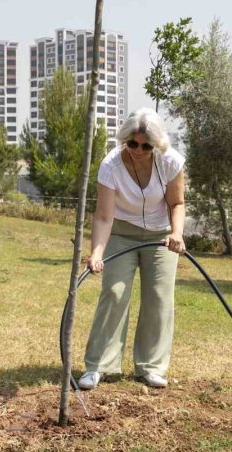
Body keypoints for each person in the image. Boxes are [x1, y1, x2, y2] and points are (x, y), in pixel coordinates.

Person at [78, 107, 186, 390]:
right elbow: (103, 216)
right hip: (121, 233)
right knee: (114, 293)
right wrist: (97, 253)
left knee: (159, 297)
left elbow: (177, 204)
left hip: (161, 235)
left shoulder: (170, 162)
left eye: (146, 145)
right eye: (133, 143)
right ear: (125, 140)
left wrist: (177, 233)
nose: (138, 150)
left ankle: (151, 367)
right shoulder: (110, 165)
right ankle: (98, 365)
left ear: (156, 144)